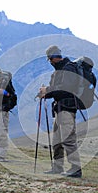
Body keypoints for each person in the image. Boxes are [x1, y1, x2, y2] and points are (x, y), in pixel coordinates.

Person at [39, 45, 82, 178]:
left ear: (53, 57)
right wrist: (44, 93)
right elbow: (55, 90)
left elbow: (66, 88)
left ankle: (76, 168)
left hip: (67, 109)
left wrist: (48, 90)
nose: (50, 62)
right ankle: (57, 167)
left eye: (50, 59)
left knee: (68, 139)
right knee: (57, 140)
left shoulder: (69, 68)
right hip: (58, 108)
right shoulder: (57, 72)